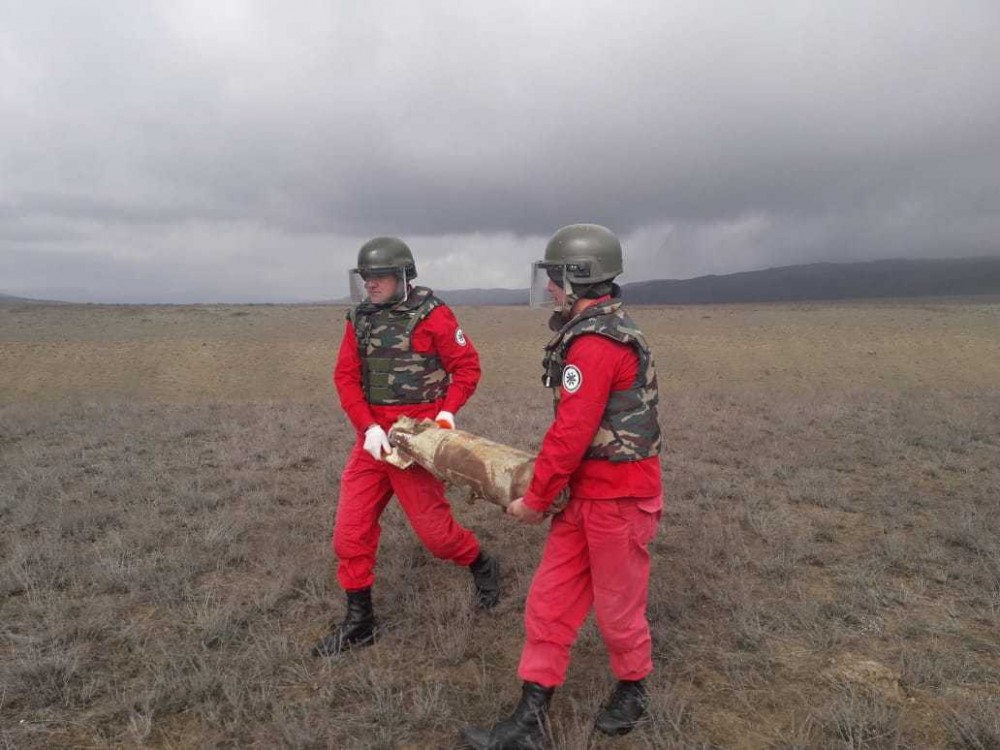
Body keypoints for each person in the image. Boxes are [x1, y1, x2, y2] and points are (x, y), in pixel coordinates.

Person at [460, 224, 663, 748]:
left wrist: (536, 499)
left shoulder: (596, 344)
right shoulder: (594, 331)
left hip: (617, 499)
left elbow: (571, 434)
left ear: (578, 279)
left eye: (554, 278)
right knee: (549, 603)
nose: (549, 288)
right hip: (584, 496)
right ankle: (530, 719)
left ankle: (634, 687)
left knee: (618, 608)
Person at [313, 236, 501, 657]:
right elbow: (345, 378)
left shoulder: (433, 315)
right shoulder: (359, 319)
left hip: (417, 443)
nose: (370, 285)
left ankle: (481, 562)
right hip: (373, 444)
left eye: (378, 276)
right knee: (349, 535)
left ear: (402, 276)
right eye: (366, 277)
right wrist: (367, 429)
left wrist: (446, 413)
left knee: (438, 538)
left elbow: (466, 367)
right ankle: (361, 623)